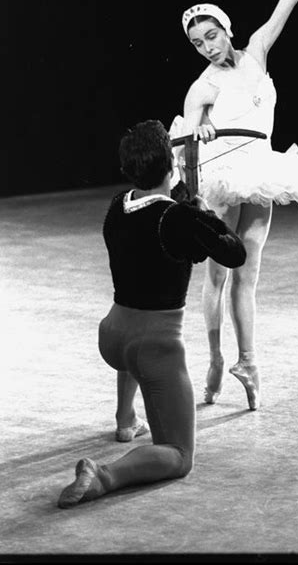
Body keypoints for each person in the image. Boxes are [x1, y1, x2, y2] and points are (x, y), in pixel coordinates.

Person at [169, 0, 298, 411]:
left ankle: (247, 360)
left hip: (262, 168)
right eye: (198, 42)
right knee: (218, 276)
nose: (207, 46)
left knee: (249, 274)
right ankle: (214, 356)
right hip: (225, 177)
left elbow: (288, 0)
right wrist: (201, 129)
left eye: (212, 35)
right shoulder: (202, 84)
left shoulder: (258, 51)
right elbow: (187, 136)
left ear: (226, 29)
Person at [57, 120, 246, 508]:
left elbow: (155, 208)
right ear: (171, 166)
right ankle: (104, 475)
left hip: (113, 336)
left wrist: (183, 204)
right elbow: (234, 253)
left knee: (133, 349)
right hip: (153, 347)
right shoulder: (179, 218)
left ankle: (126, 420)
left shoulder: (118, 204)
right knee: (178, 455)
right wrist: (205, 214)